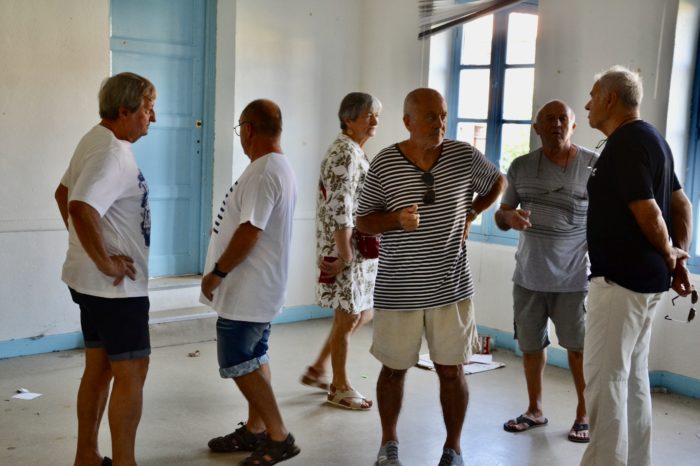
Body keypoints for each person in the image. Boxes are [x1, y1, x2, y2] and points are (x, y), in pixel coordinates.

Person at [356, 88, 507, 466]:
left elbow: (497, 182)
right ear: (407, 122)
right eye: (429, 117)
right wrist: (395, 220)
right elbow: (363, 221)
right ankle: (388, 443)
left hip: (451, 287)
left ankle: (453, 448)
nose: (440, 123)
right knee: (392, 370)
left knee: (452, 371)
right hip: (398, 288)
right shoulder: (385, 163)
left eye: (442, 115)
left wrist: (473, 212)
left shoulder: (463, 156)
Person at [580, 66, 693, 466]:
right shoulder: (653, 138)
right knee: (632, 379)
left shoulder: (627, 142)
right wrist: (678, 256)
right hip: (645, 284)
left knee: (605, 380)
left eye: (593, 95)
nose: (588, 104)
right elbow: (682, 203)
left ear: (611, 98)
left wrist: (670, 252)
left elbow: (650, 211)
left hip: (621, 283)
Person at [55, 72, 157, 466]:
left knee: (98, 369)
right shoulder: (112, 152)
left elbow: (63, 193)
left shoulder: (94, 139)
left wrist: (88, 252)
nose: (154, 117)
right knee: (132, 371)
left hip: (92, 285)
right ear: (124, 110)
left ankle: (87, 455)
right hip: (117, 290)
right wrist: (104, 259)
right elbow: (79, 206)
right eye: (148, 109)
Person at [200, 99, 300, 466]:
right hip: (261, 286)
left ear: (249, 129)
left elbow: (249, 231)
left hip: (248, 288)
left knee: (237, 359)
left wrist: (217, 272)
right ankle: (257, 430)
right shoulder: (278, 166)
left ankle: (279, 436)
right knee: (256, 356)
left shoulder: (262, 171)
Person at [496, 100, 596, 443]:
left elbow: (608, 219)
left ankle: (584, 414)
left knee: (578, 349)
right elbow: (502, 213)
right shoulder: (522, 166)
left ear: (573, 126)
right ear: (537, 128)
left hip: (573, 278)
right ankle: (534, 410)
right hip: (528, 276)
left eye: (562, 119)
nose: (556, 124)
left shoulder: (593, 165)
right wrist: (509, 217)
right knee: (531, 346)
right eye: (548, 120)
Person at [299, 92, 382, 411]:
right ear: (348, 119)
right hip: (345, 247)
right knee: (348, 317)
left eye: (377, 115)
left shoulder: (355, 151)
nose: (374, 120)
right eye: (368, 115)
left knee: (363, 313)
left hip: (356, 247)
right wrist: (345, 254)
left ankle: (320, 367)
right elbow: (340, 206)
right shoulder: (344, 152)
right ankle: (339, 385)